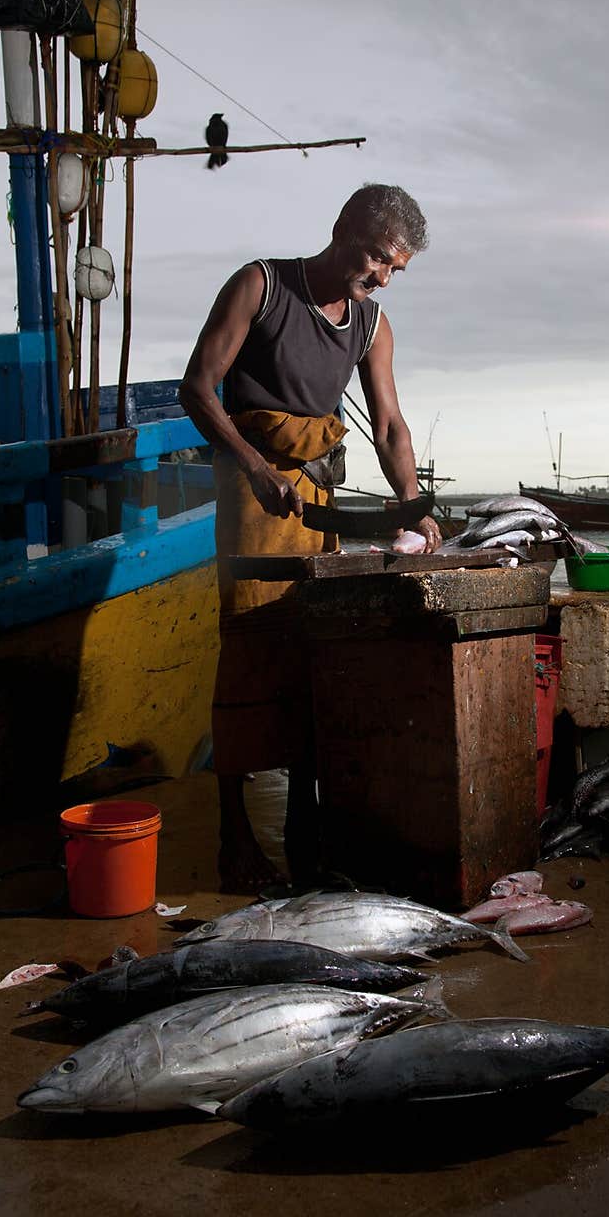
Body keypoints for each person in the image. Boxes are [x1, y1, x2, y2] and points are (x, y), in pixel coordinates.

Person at [179, 182, 441, 892]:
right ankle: (235, 840)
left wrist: (411, 504)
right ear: (344, 232)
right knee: (249, 655)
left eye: (395, 271)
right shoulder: (261, 286)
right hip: (252, 488)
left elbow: (388, 426)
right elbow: (198, 387)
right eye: (379, 259)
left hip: (316, 498)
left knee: (314, 656)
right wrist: (257, 467)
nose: (382, 278)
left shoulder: (372, 324)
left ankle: (303, 833)